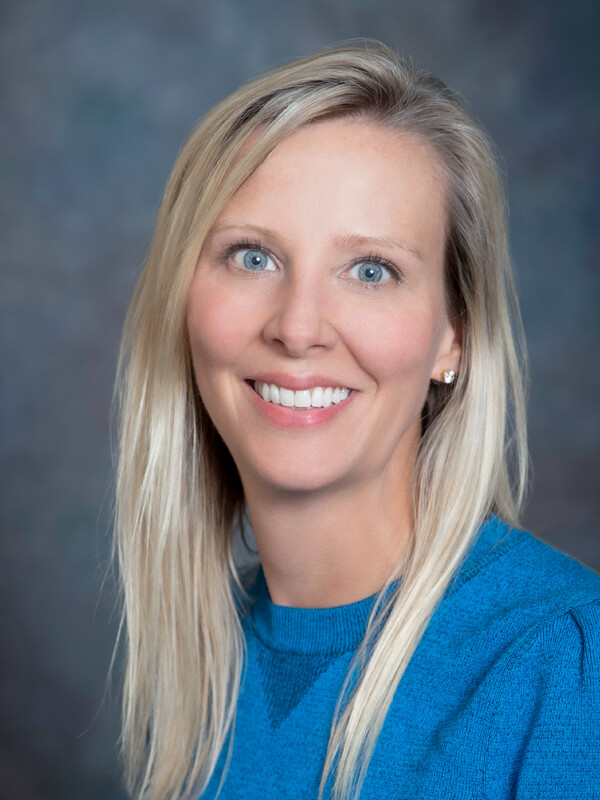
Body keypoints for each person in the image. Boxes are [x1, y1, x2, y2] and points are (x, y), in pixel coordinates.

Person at [113, 42, 600, 800]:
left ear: (454, 335)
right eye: (251, 257)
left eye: (371, 270)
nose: (299, 327)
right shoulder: (198, 668)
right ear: (183, 298)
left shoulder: (562, 669)